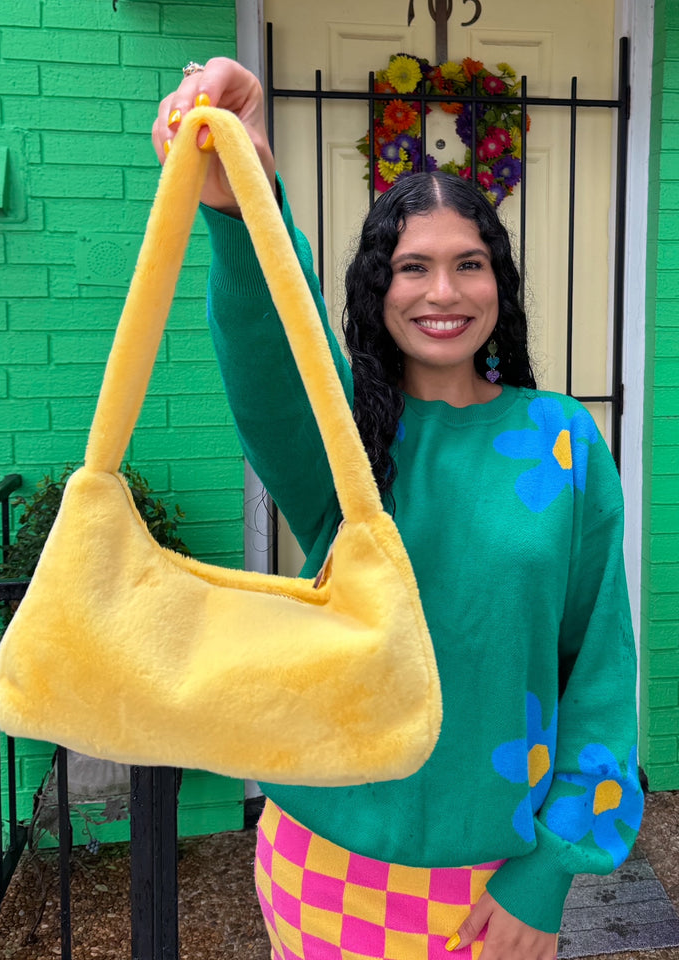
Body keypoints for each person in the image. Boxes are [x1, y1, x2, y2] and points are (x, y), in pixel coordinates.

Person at [152, 57, 643, 960]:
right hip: (326, 862)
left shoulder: (563, 440)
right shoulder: (344, 438)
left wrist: (550, 872)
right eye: (412, 267)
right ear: (378, 290)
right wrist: (241, 199)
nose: (444, 293)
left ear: (502, 283)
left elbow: (599, 668)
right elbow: (273, 343)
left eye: (469, 265)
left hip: (499, 873)